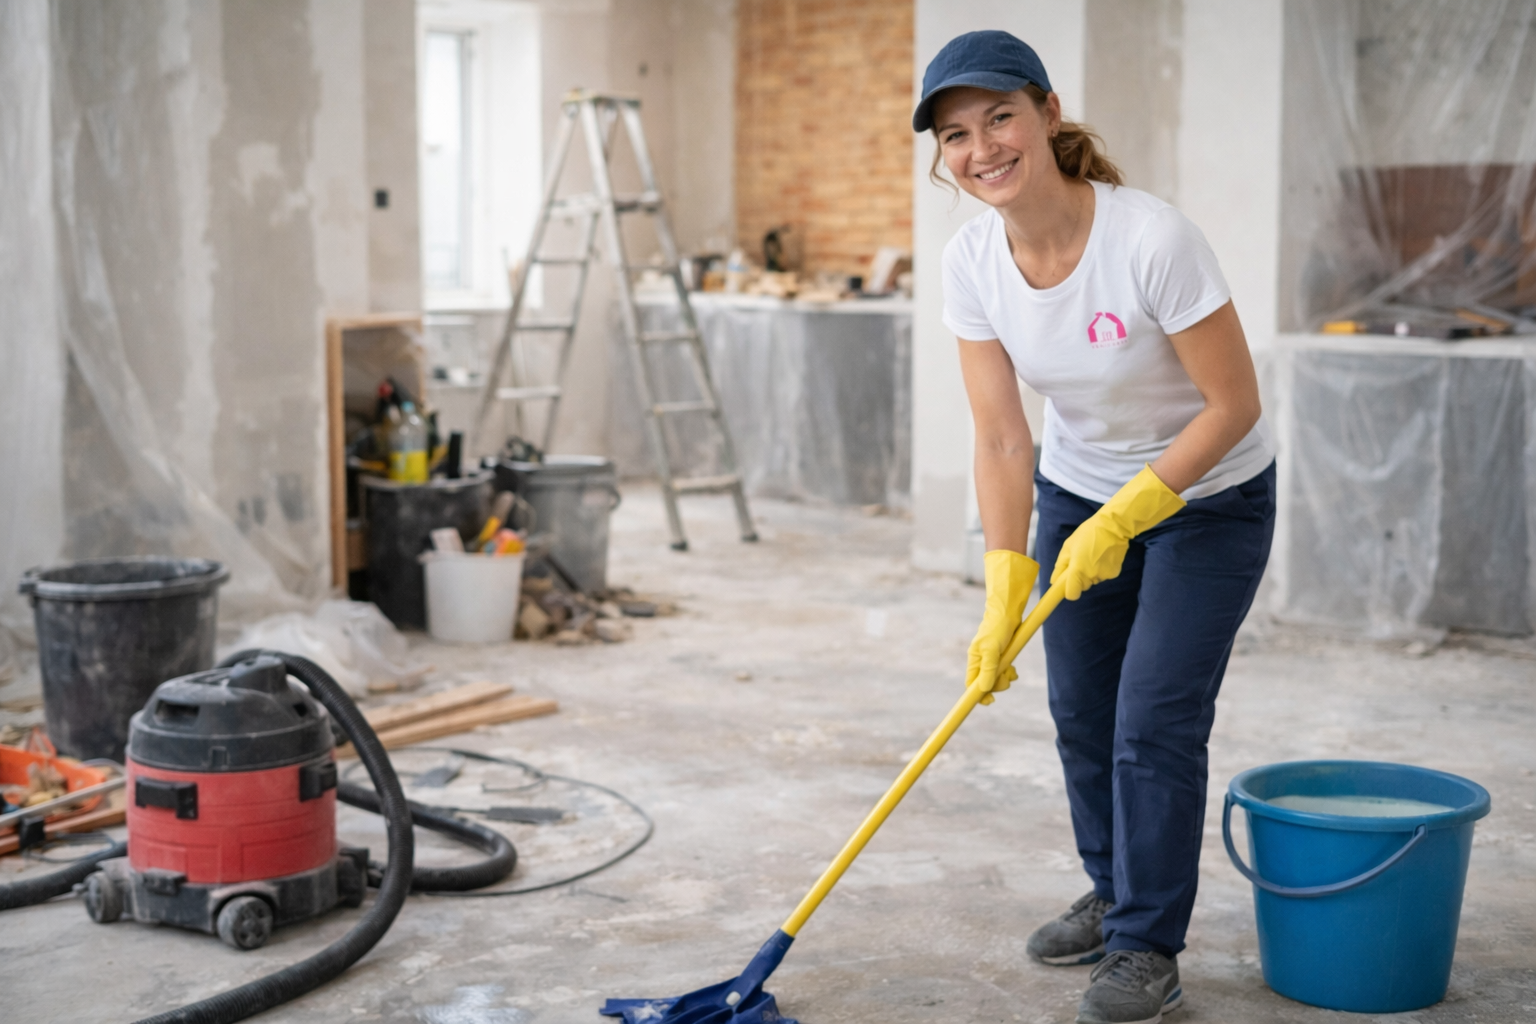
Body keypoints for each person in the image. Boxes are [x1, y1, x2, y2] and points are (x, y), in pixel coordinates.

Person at [912, 30, 1277, 1024]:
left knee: (1152, 717)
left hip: (1209, 499)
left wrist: (1133, 513)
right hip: (1078, 493)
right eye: (956, 135)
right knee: (1082, 711)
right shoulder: (971, 261)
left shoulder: (1149, 239)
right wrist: (1003, 583)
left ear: (1047, 113)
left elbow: (1233, 404)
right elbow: (1001, 437)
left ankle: (1147, 944)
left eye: (999, 118)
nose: (981, 148)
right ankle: (1116, 892)